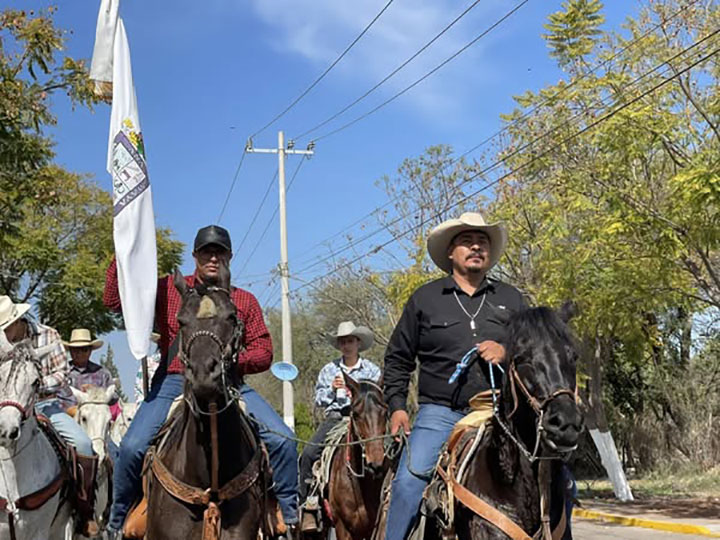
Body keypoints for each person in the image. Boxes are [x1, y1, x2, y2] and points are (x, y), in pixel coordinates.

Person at [103, 224, 299, 537]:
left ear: (229, 257)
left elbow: (263, 350)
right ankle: (116, 523)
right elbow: (115, 301)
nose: (213, 258)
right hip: (174, 380)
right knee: (131, 446)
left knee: (283, 440)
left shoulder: (243, 300)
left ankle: (288, 515)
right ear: (195, 256)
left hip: (230, 382)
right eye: (207, 252)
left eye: (219, 252)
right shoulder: (167, 290)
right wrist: (123, 252)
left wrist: (233, 362)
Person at [382, 212, 528, 540]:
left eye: (482, 242)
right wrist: (397, 407)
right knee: (408, 483)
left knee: (560, 479)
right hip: (441, 413)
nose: (476, 247)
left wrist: (506, 351)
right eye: (467, 241)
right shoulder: (425, 299)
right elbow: (398, 358)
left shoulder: (511, 298)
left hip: (502, 412)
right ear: (451, 252)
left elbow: (536, 351)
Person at [0, 296, 100, 536]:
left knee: (83, 445)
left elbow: (62, 373)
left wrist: (34, 385)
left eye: (6, 327)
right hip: (7, 407)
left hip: (46, 404)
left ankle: (84, 511)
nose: (4, 333)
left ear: (17, 320)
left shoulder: (48, 335)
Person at [298, 321, 381, 532]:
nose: (347, 346)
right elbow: (319, 399)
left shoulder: (372, 370)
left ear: (358, 343)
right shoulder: (329, 370)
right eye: (343, 342)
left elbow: (378, 397)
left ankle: (392, 495)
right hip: (336, 418)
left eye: (350, 341)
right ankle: (309, 504)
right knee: (309, 454)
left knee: (389, 451)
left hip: (367, 420)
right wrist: (332, 390)